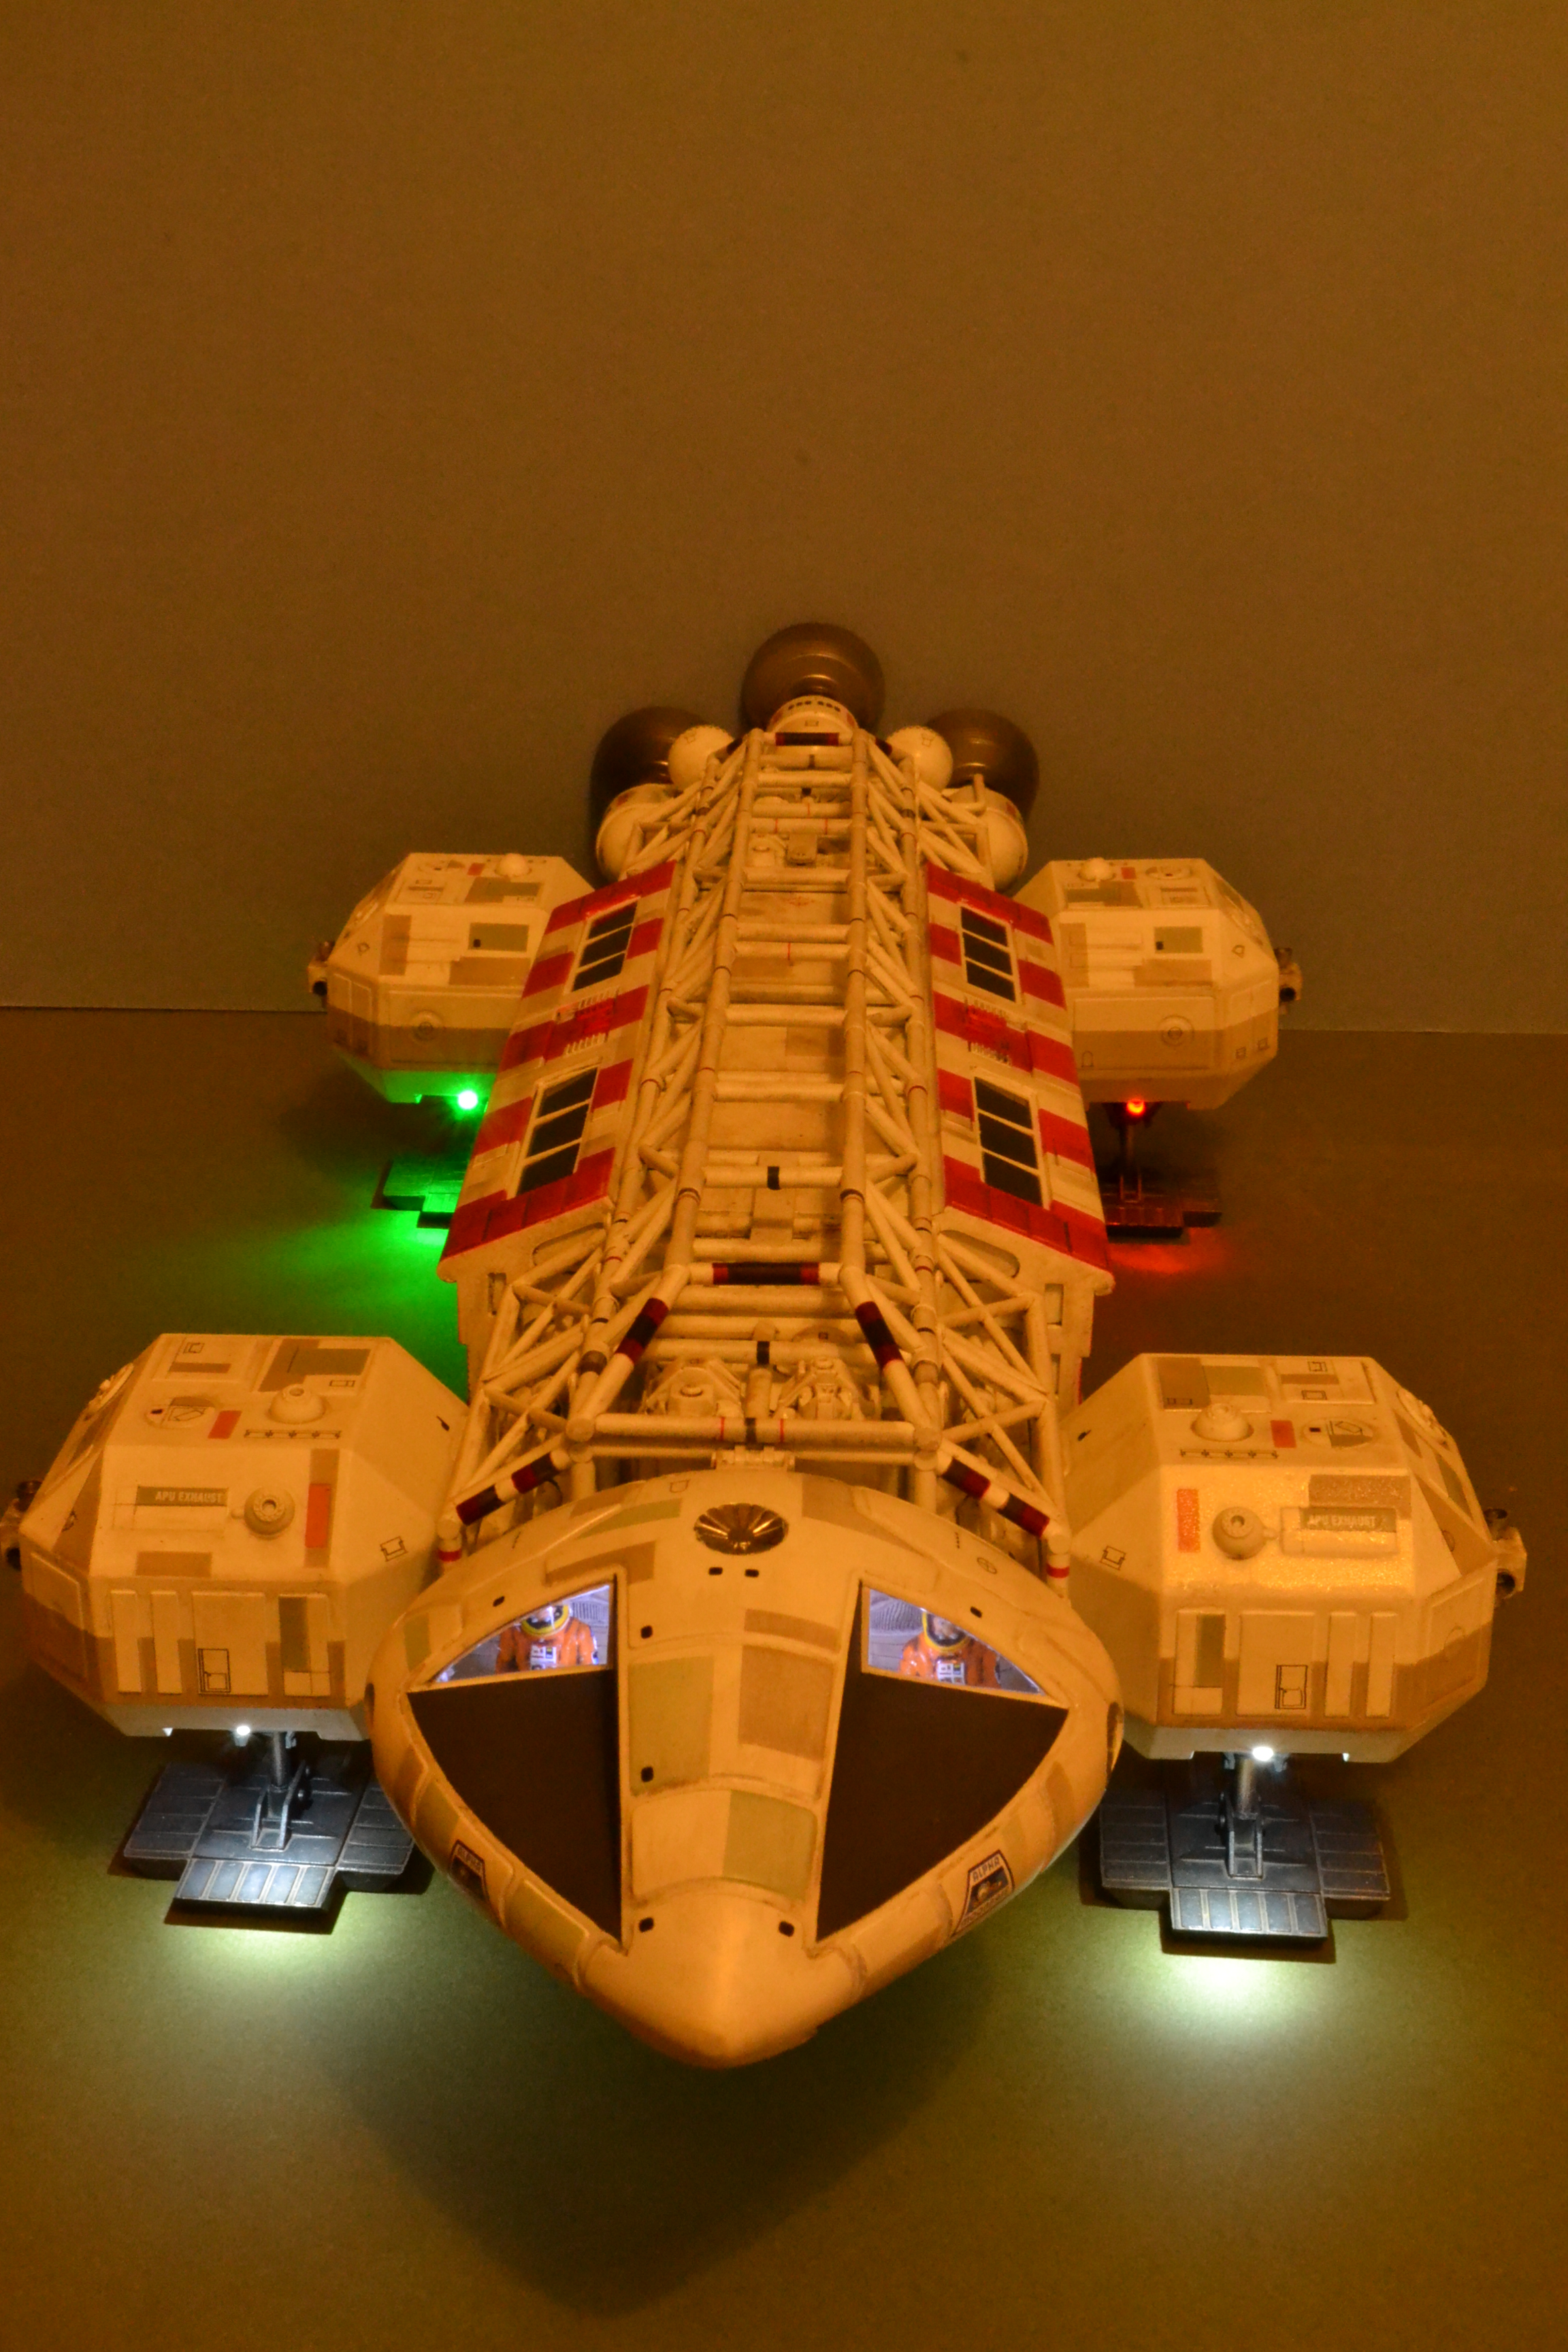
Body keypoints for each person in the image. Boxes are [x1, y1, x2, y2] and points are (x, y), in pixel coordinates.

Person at [898, 1611, 1000, 1688]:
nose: (946, 1629)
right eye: (941, 1622)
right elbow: (906, 1689)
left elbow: (992, 1688)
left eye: (953, 1623)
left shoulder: (982, 1649)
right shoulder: (914, 1650)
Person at [496, 1599, 597, 1674]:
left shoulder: (579, 1631)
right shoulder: (512, 1632)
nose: (542, 1605)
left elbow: (589, 1675)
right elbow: (503, 1671)